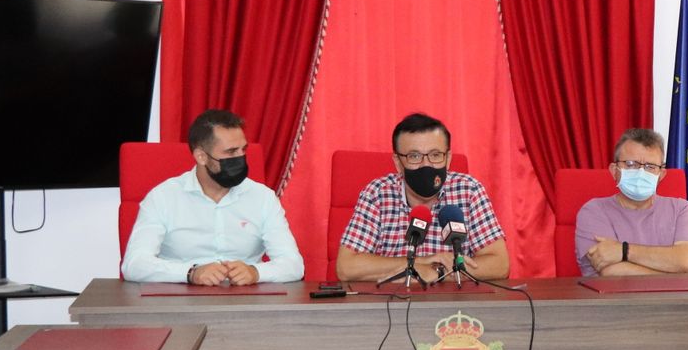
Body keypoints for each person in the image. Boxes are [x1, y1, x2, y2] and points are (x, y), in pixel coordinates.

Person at [122, 108, 304, 285]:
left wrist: (255, 272)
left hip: (245, 298)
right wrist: (190, 273)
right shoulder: (163, 197)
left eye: (243, 150)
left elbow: (294, 265)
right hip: (180, 298)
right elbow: (134, 265)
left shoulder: (263, 198)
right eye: (231, 152)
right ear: (201, 156)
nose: (240, 158)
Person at [336, 112, 510, 283]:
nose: (426, 165)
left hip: (455, 300)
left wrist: (438, 271)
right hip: (394, 298)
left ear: (448, 158)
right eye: (414, 156)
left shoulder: (468, 190)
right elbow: (346, 267)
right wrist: (419, 263)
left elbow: (500, 264)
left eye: (435, 155)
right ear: (397, 162)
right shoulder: (377, 194)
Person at [575, 128, 688, 276]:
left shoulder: (683, 209)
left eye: (650, 167)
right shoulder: (593, 211)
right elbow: (612, 273)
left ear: (661, 175)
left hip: (671, 293)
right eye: (631, 164)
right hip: (614, 292)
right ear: (614, 170)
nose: (641, 172)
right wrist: (675, 276)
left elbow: (685, 261)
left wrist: (623, 251)